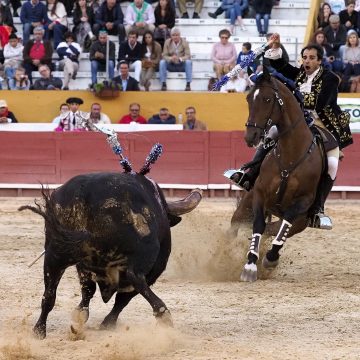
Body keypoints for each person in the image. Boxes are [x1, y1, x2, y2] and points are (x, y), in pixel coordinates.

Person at [232, 34, 353, 229]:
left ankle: (318, 208)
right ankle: (249, 175)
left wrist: (291, 95)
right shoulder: (300, 75)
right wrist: (276, 46)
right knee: (270, 135)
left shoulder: (330, 78)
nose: (307, 61)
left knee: (331, 163)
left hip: (323, 125)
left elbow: (320, 104)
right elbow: (280, 65)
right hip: (298, 121)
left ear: (320, 61)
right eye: (304, 57)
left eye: (312, 58)